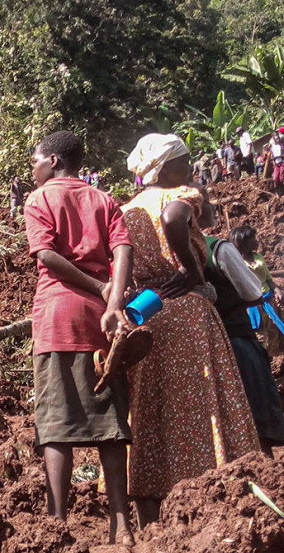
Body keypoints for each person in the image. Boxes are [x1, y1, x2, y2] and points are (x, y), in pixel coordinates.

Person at [121, 134, 259, 528]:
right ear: (165, 168)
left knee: (152, 409)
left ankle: (152, 507)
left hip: (149, 313)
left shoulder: (128, 209)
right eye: (185, 161)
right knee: (203, 403)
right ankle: (213, 488)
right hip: (188, 313)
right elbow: (173, 219)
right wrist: (192, 271)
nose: (192, 167)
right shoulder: (178, 194)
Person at [23, 131, 135, 545]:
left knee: (55, 424)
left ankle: (57, 524)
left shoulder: (39, 200)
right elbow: (123, 250)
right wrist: (112, 297)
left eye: (35, 160)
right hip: (102, 323)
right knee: (110, 419)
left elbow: (47, 256)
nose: (32, 168)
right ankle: (121, 525)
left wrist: (95, 287)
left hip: (57, 317)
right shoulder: (105, 200)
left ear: (52, 160)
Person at [199, 208, 284, 456]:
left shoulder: (159, 249)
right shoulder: (217, 248)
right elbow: (253, 292)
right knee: (256, 405)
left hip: (191, 344)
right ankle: (262, 465)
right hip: (234, 336)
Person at [230, 225, 284, 345]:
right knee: (261, 339)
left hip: (269, 302)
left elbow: (268, 279)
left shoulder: (258, 257)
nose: (256, 241)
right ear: (242, 242)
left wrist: (277, 291)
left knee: (275, 335)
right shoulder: (236, 263)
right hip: (252, 307)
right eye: (252, 239)